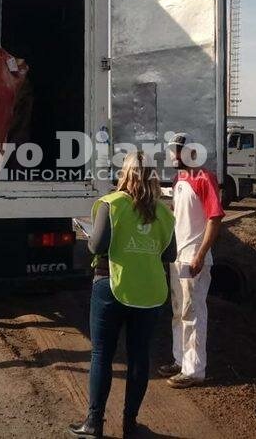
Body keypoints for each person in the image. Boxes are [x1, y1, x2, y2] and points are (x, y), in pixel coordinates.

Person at [68, 151, 176, 439]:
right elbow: (170, 253)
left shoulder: (111, 204)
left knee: (102, 353)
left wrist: (90, 235)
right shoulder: (164, 213)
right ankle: (130, 424)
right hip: (150, 291)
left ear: (124, 174)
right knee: (139, 357)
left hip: (111, 285)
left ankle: (94, 423)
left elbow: (97, 246)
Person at [158, 133, 224, 389]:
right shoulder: (179, 180)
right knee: (179, 311)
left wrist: (199, 255)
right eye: (173, 150)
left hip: (193, 259)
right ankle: (180, 360)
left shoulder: (204, 179)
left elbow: (214, 218)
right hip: (178, 256)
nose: (175, 155)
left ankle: (195, 370)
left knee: (193, 312)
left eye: (180, 150)